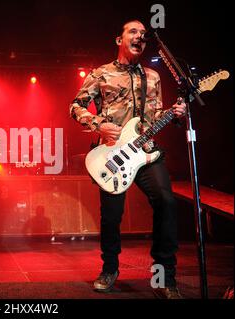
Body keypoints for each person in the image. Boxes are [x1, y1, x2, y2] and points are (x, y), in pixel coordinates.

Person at [69, 20, 187, 299]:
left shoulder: (153, 76)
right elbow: (75, 106)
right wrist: (98, 123)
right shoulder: (102, 73)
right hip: (112, 153)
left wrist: (174, 114)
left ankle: (165, 275)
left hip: (146, 151)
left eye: (143, 34)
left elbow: (155, 115)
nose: (139, 37)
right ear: (118, 39)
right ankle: (109, 269)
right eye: (132, 32)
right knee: (112, 216)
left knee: (167, 201)